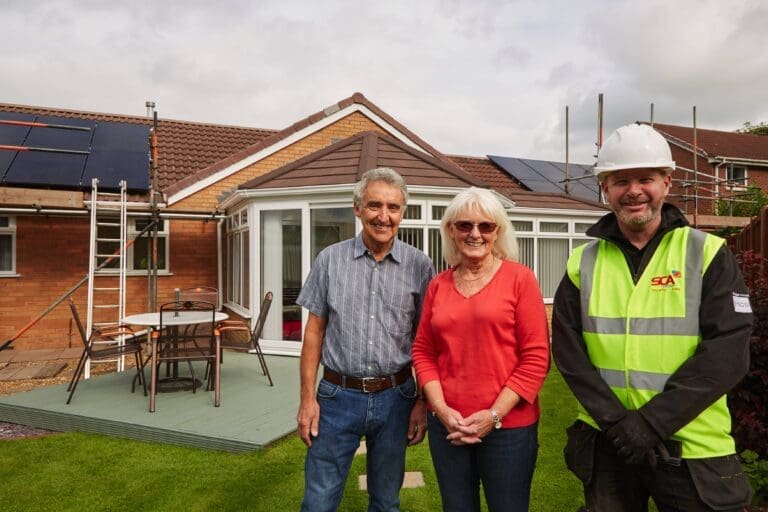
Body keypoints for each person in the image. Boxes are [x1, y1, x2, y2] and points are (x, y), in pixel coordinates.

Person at [552, 123, 754, 511]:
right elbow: (569, 352)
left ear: (667, 182)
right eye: (620, 180)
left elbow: (727, 351)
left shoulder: (707, 253)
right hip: (609, 442)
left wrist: (651, 423)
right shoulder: (583, 262)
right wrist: (617, 424)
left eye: (646, 178)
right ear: (604, 187)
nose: (633, 191)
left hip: (691, 444)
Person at [295, 167, 435, 512]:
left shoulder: (420, 266)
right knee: (318, 501)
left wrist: (421, 402)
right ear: (357, 208)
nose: (383, 217)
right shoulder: (329, 260)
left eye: (393, 208)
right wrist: (307, 400)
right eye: (374, 205)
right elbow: (314, 331)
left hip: (396, 398)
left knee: (386, 502)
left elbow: (425, 341)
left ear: (403, 212)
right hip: (336, 397)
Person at [412, 187, 551, 512]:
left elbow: (536, 357)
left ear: (498, 232)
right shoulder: (438, 285)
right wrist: (443, 411)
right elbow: (423, 351)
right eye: (465, 225)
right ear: (450, 230)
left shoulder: (521, 279)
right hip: (448, 426)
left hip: (509, 429)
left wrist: (493, 416)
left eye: (485, 226)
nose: (475, 234)